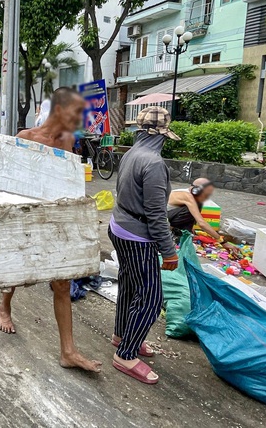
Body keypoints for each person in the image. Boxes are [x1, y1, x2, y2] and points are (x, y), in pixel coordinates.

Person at [0, 87, 102, 373]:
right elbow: (9, 181)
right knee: (17, 271)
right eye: (76, 112)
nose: (80, 119)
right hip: (24, 214)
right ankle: (5, 306)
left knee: (62, 283)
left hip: (53, 218)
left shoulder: (67, 141)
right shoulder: (24, 138)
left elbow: (66, 183)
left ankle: (68, 351)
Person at [109, 106, 180, 385]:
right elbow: (155, 214)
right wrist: (169, 250)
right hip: (138, 236)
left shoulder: (130, 154)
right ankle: (125, 355)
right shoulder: (153, 163)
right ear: (162, 135)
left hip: (118, 227)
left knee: (129, 285)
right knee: (150, 299)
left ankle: (121, 336)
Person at [167, 178, 236, 248]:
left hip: (166, 218)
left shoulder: (189, 194)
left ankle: (182, 235)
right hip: (162, 221)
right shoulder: (188, 196)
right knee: (194, 208)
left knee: (196, 207)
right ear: (197, 190)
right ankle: (173, 233)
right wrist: (222, 241)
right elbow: (201, 223)